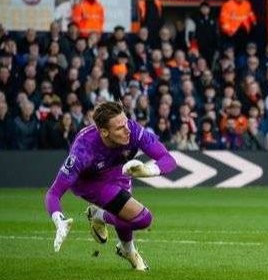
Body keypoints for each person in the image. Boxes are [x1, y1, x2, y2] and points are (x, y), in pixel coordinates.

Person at [44, 101, 177, 271]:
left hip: (117, 170)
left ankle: (127, 250)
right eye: (120, 128)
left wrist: (147, 170)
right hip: (90, 182)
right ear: (104, 132)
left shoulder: (133, 130)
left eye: (126, 122)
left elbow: (168, 159)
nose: (127, 129)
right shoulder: (82, 150)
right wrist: (58, 219)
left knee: (127, 214)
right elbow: (53, 193)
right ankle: (100, 215)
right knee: (144, 219)